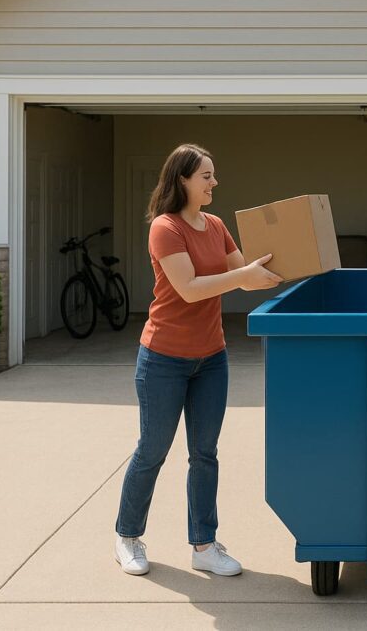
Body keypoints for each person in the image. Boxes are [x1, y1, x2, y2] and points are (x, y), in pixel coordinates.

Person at [114, 144, 282, 576]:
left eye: (213, 174)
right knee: (152, 450)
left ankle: (204, 545)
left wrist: (285, 264)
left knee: (204, 454)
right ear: (182, 179)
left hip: (211, 358)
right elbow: (190, 288)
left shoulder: (217, 225)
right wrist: (242, 276)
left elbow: (244, 277)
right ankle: (128, 536)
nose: (214, 182)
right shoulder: (165, 228)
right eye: (206, 175)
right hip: (163, 359)